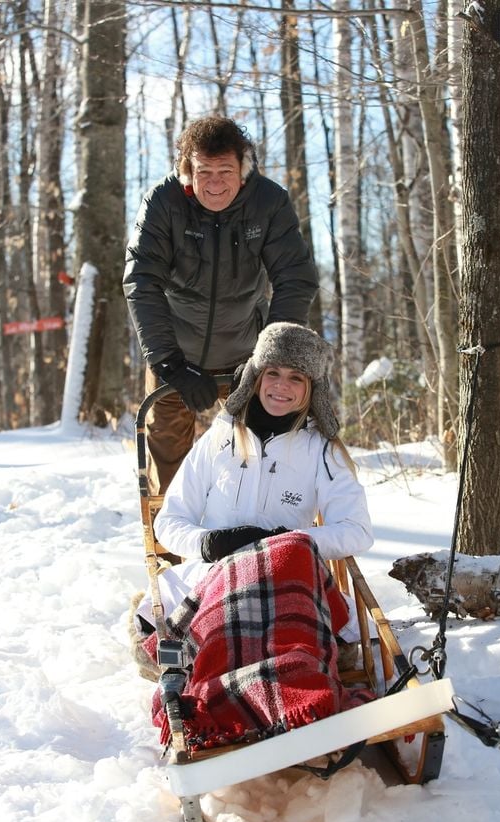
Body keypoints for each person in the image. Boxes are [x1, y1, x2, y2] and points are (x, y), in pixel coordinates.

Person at [130, 324, 374, 715]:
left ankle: (291, 696)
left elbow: (357, 531)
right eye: (272, 373)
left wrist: (287, 543)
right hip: (217, 574)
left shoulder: (320, 449)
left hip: (286, 577)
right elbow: (169, 520)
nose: (282, 385)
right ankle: (227, 699)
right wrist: (207, 543)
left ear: (311, 386)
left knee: (286, 614)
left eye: (296, 377)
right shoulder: (220, 437)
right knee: (219, 617)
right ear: (255, 376)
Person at [123, 115, 319, 494]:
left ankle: (257, 539)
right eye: (203, 171)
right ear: (187, 171)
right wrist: (170, 364)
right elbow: (141, 280)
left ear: (242, 170)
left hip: (247, 354)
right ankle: (172, 546)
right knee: (167, 457)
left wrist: (270, 361)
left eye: (225, 170)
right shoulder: (163, 202)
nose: (214, 183)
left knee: (265, 452)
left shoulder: (269, 202)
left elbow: (295, 278)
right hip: (176, 354)